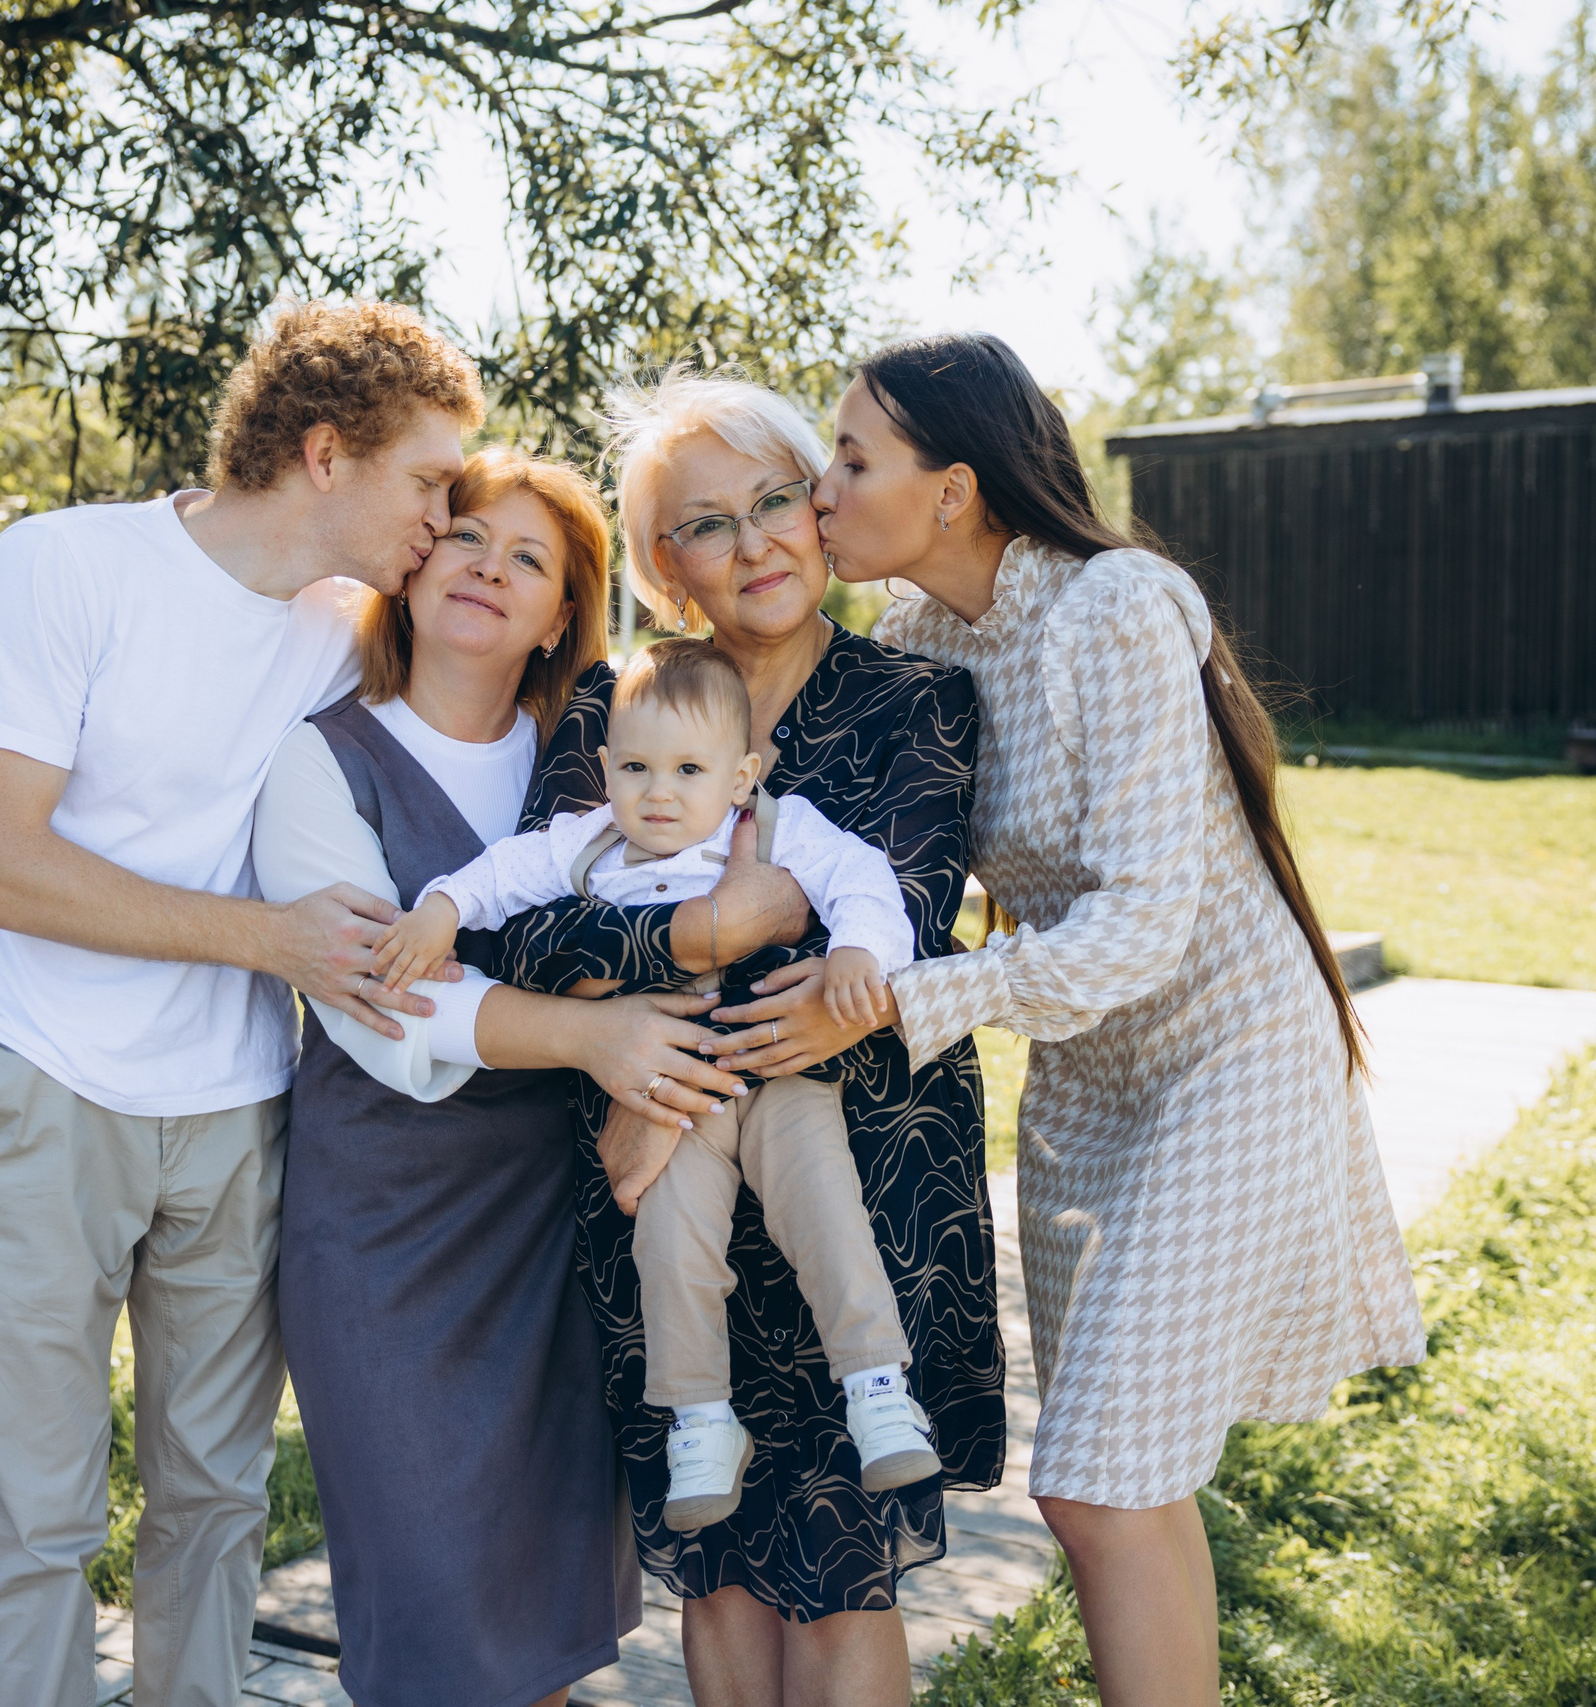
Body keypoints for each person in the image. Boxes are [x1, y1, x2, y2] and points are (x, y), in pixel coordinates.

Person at [814, 331, 1428, 1707]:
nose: (822, 485)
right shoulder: (916, 638)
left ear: (955, 487)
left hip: (1235, 1049)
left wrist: (912, 1002)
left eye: (852, 457)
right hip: (1089, 1084)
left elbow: (1147, 922)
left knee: (1097, 1473)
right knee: (1114, 1482)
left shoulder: (1118, 606)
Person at [0, 301, 492, 1707]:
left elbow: (513, 676)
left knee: (217, 1507)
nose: (444, 514)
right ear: (322, 452)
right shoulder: (63, 566)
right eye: (427, 480)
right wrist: (269, 939)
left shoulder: (354, 626)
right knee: (36, 1527)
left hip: (238, 1112)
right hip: (41, 1084)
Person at [488, 367, 1001, 1707]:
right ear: (667, 566)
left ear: (824, 508)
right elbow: (525, 933)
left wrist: (649, 987)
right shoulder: (614, 707)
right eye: (710, 522)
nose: (758, 539)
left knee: (837, 1574)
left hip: (851, 1179)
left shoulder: (916, 704)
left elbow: (883, 958)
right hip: (662, 1191)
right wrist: (724, 923)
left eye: (779, 497)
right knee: (712, 1571)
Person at [251, 448, 753, 1707]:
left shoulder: (601, 764)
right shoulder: (321, 758)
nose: (488, 567)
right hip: (386, 1228)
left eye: (528, 558)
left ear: (557, 618)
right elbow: (379, 1002)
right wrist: (592, 1034)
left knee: (537, 1622)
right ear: (414, 565)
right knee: (433, 1618)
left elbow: (712, 899)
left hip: (557, 1220)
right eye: (468, 536)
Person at [376, 637, 940, 1532]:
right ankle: (700, 1416)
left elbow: (864, 879)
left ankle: (877, 1384)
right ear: (605, 769)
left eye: (688, 768)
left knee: (823, 1208)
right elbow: (500, 877)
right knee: (671, 1247)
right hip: (670, 1098)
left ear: (741, 773)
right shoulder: (591, 843)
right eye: (636, 767)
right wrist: (441, 909)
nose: (661, 792)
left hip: (775, 1074)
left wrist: (860, 954)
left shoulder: (778, 827)